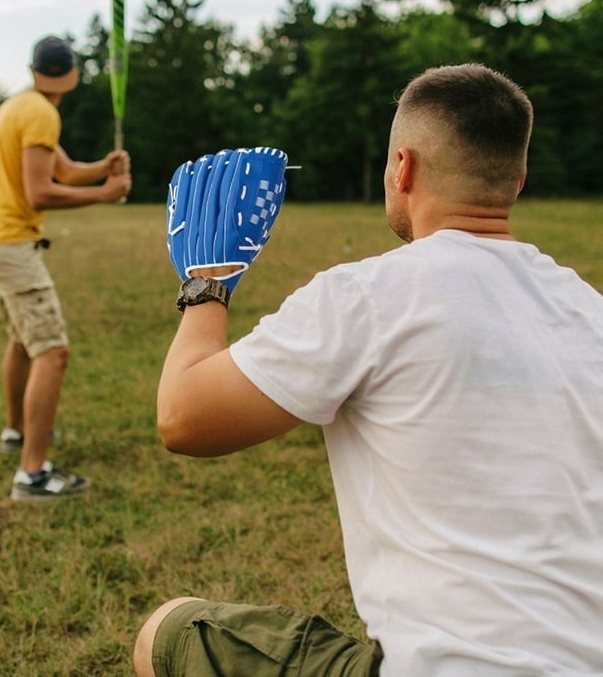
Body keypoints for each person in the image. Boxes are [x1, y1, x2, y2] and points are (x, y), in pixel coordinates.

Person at [133, 64, 603, 675]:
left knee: (166, 632)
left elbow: (184, 418)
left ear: (401, 168)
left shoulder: (367, 296)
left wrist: (207, 282)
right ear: (517, 179)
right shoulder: (588, 309)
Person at [0, 35, 131, 501]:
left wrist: (103, 167)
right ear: (73, 74)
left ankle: (18, 432)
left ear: (34, 69)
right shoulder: (42, 112)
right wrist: (105, 193)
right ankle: (32, 474)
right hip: (10, 245)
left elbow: (63, 171)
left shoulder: (19, 106)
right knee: (52, 352)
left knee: (22, 340)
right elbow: (40, 191)